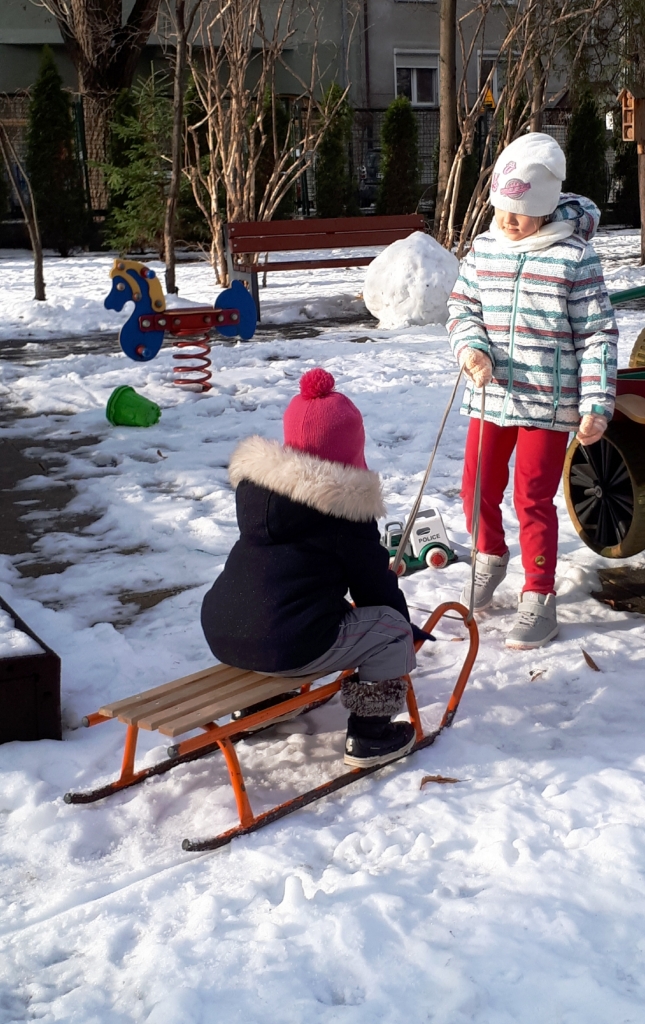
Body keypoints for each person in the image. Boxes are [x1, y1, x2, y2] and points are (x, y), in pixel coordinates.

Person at [201, 367, 433, 768]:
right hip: (287, 642)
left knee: (282, 611)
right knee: (390, 630)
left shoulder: (259, 495)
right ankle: (370, 735)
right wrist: (404, 629)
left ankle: (263, 702)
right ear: (352, 449)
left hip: (221, 630)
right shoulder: (344, 512)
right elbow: (375, 591)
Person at [447, 132, 618, 650]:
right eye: (502, 209)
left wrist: (596, 403)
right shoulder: (485, 249)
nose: (508, 220)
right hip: (491, 394)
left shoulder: (574, 258)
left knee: (532, 496)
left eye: (520, 213)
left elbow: (597, 334)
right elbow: (463, 307)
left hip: (548, 401)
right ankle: (489, 556)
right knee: (476, 484)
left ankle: (539, 594)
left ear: (544, 209)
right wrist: (471, 348)